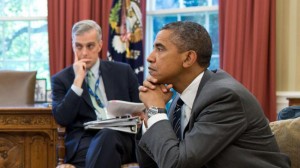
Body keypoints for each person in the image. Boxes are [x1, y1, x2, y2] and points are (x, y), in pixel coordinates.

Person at [136, 21, 291, 168]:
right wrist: (151, 115)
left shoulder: (225, 97)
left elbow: (176, 164)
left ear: (188, 58)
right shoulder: (180, 99)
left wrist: (156, 110)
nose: (150, 57)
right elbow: (150, 164)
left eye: (160, 49)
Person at [51, 20, 140, 168]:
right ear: (73, 45)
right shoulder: (61, 79)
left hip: (120, 138)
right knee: (103, 144)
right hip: (85, 141)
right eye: (78, 46)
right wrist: (78, 81)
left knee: (108, 135)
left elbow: (139, 107)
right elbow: (62, 118)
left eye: (90, 46)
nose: (84, 52)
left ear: (100, 45)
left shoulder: (123, 71)